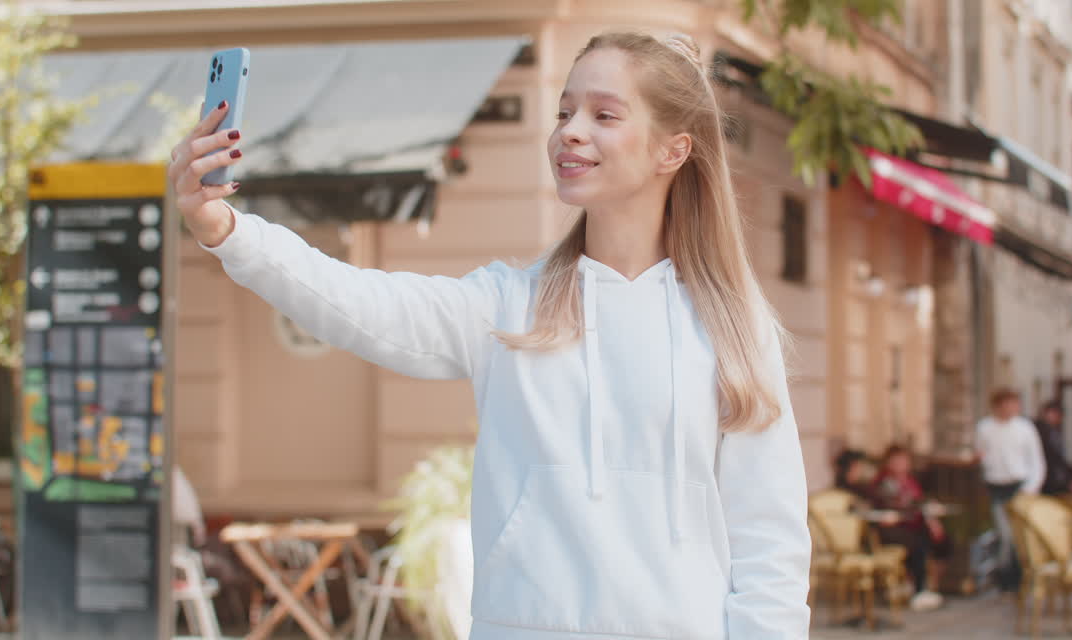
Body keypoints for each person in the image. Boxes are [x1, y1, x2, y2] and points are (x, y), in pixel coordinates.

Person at [166, 31, 811, 639]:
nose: (570, 133)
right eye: (564, 112)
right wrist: (229, 231)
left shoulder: (732, 326)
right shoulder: (509, 307)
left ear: (674, 150)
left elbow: (769, 546)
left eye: (604, 116)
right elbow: (362, 304)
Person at [974, 388, 1045, 593]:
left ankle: (1019, 575)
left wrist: (1031, 487)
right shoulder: (985, 428)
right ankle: (1005, 576)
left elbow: (1036, 460)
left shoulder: (1024, 428)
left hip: (1019, 486)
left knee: (1020, 534)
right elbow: (982, 454)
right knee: (1004, 534)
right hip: (997, 486)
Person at [872, 445, 950, 612]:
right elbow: (891, 507)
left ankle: (929, 586)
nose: (901, 464)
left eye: (903, 460)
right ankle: (918, 589)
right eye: (897, 460)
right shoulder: (884, 483)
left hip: (912, 525)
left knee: (940, 540)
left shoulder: (910, 482)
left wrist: (932, 520)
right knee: (917, 543)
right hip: (893, 529)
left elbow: (920, 503)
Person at [1034, 400, 1072, 496]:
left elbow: (1060, 459)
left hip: (1057, 480)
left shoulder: (1055, 432)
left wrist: (1069, 478)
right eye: (1053, 414)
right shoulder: (1038, 431)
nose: (1056, 418)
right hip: (1045, 479)